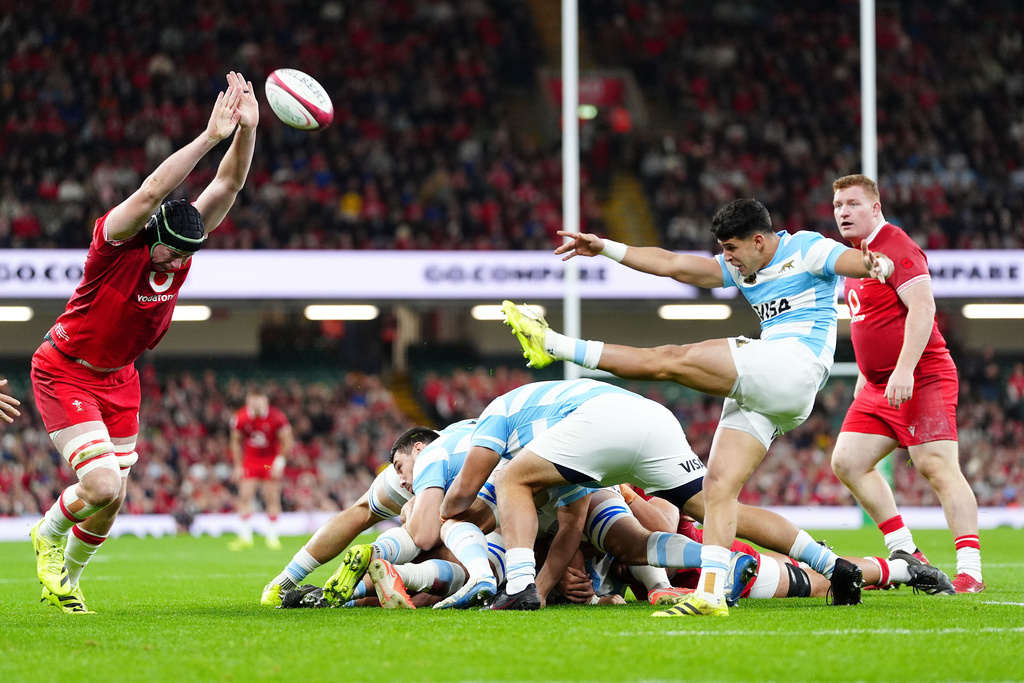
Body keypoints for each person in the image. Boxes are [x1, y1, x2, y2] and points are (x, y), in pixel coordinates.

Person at [501, 197, 894, 616]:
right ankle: (726, 591)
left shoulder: (806, 248)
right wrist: (606, 247)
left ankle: (555, 345)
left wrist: (877, 266)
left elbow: (849, 261)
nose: (727, 260)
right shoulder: (743, 263)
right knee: (717, 491)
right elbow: (673, 264)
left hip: (792, 364)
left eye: (732, 250)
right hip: (776, 393)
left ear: (759, 240)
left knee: (670, 359)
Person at [28, 72, 258, 614]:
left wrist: (246, 131)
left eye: (187, 256)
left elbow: (227, 187)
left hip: (120, 378)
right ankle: (47, 533)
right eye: (172, 253)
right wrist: (208, 137)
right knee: (103, 485)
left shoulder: (180, 250)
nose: (179, 263)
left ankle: (70, 579)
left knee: (114, 500)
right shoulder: (114, 245)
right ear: (152, 236)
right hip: (66, 368)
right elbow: (153, 191)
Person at [439, 378, 861, 614]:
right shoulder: (545, 437)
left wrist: (445, 510)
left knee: (512, 479)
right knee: (718, 506)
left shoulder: (493, 415)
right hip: (650, 417)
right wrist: (543, 591)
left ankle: (516, 585)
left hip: (602, 420)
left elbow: (465, 490)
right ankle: (832, 563)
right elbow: (571, 520)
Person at [828, 174, 984, 593]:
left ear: (875, 208)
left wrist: (901, 369)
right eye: (838, 204)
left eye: (853, 203)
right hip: (878, 385)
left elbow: (923, 308)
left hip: (922, 375)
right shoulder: (854, 258)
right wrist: (868, 375)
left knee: (936, 465)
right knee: (847, 461)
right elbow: (872, 323)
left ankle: (970, 570)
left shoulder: (896, 245)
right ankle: (906, 551)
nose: (843, 211)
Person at [260, 459, 415, 606]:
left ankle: (282, 583)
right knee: (428, 542)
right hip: (431, 471)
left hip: (403, 466)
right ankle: (377, 554)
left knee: (361, 512)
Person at [228, 388, 294, 551]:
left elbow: (287, 440)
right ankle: (245, 537)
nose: (256, 404)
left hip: (269, 460)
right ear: (248, 401)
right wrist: (238, 465)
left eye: (259, 400)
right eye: (253, 400)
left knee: (271, 495)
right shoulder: (240, 417)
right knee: (244, 495)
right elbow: (235, 441)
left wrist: (280, 462)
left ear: (266, 401)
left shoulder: (277, 417)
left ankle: (272, 537)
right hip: (251, 460)